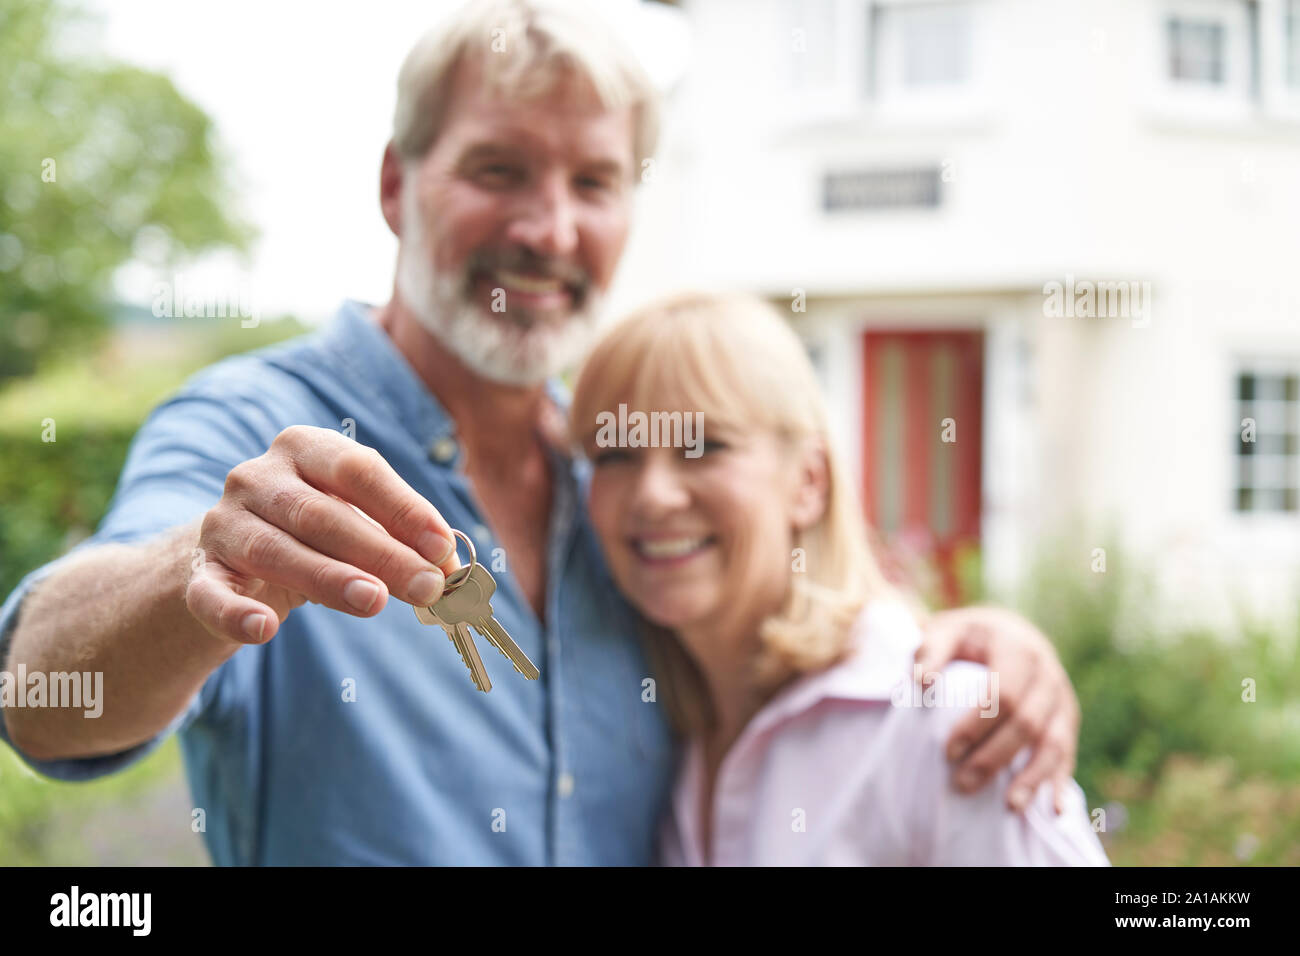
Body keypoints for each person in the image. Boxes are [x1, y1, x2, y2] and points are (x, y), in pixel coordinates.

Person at [0, 0, 1080, 865]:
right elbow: (41, 694)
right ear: (395, 184)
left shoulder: (617, 478)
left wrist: (984, 644)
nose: (548, 228)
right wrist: (200, 561)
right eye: (497, 169)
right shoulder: (252, 434)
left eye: (594, 182)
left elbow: (798, 630)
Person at [571, 292, 1107, 865]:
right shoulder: (655, 725)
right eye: (615, 454)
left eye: (703, 446)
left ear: (808, 481)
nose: (653, 494)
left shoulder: (950, 722)